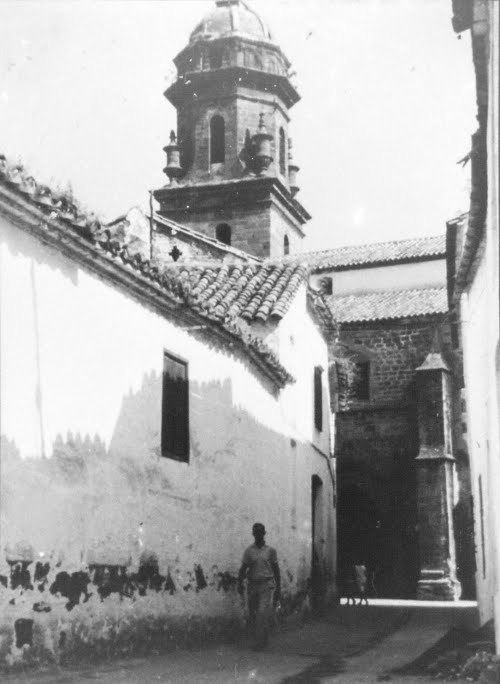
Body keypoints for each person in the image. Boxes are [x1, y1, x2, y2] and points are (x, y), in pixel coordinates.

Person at [238, 523, 281, 649]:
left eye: (260, 532)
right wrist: (239, 582)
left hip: (266, 585)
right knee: (253, 613)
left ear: (264, 533)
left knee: (262, 613)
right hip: (253, 585)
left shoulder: (271, 551)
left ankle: (259, 643)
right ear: (253, 534)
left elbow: (276, 570)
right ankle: (263, 637)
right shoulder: (249, 551)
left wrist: (278, 587)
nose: (258, 535)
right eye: (255, 533)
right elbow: (243, 568)